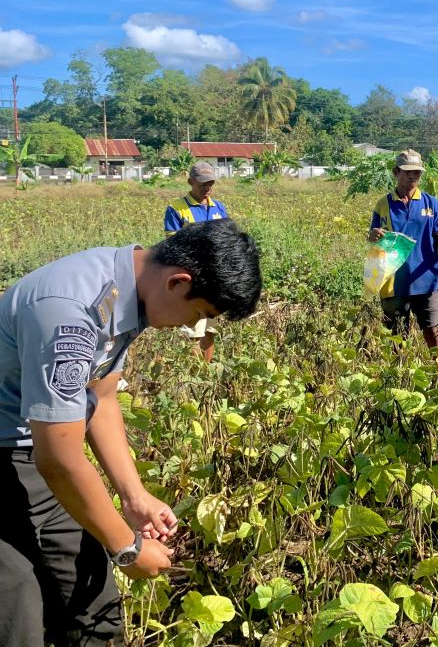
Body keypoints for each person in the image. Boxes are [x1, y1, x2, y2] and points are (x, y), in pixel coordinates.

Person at [0, 220, 262, 647]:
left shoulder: (129, 289)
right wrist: (127, 549)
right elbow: (60, 461)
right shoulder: (71, 311)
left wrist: (134, 496)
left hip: (31, 451)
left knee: (93, 607)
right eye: (198, 315)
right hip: (13, 453)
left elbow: (100, 398)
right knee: (18, 619)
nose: (190, 327)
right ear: (179, 282)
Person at [368, 150, 438, 348]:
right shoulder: (383, 204)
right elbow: (374, 237)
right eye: (408, 171)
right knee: (395, 336)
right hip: (393, 281)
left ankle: (437, 370)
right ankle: (398, 374)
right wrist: (373, 236)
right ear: (396, 172)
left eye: (417, 172)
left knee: (433, 333)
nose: (413, 176)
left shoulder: (431, 203)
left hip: (426, 281)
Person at [164, 161, 230, 361]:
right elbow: (173, 243)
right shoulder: (176, 209)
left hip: (213, 279)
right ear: (190, 181)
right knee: (193, 330)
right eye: (202, 183)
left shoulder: (218, 207)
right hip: (190, 279)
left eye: (210, 183)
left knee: (210, 328)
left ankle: (206, 369)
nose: (207, 188)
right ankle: (192, 375)